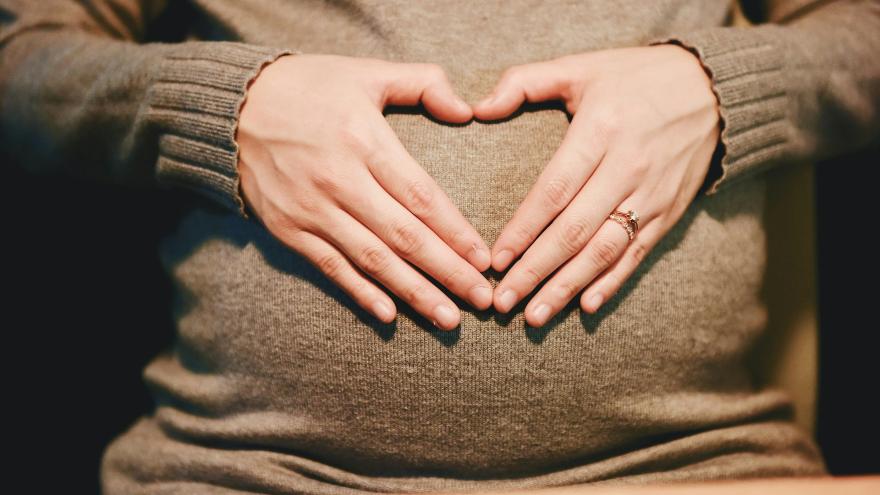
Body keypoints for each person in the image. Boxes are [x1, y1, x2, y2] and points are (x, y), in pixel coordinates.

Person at [1, 0, 878, 493]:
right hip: (252, 471)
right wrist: (222, 108)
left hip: (696, 473)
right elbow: (19, 56)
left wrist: (725, 88)